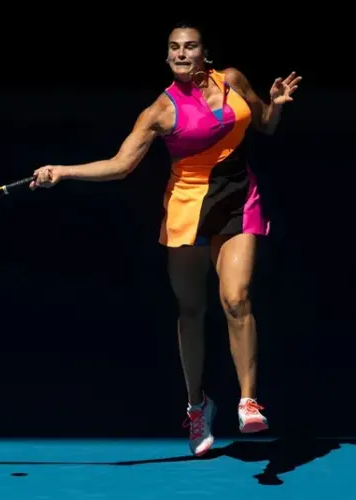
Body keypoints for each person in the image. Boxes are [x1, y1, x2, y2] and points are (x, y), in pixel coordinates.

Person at [30, 23, 301, 456]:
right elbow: (120, 166)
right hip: (187, 210)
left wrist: (278, 104)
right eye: (174, 48)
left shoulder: (231, 80)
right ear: (167, 57)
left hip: (238, 201)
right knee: (192, 311)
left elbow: (265, 123)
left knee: (237, 299)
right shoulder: (160, 111)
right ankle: (197, 406)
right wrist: (64, 171)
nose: (181, 53)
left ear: (204, 53)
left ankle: (248, 401)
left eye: (189, 46)